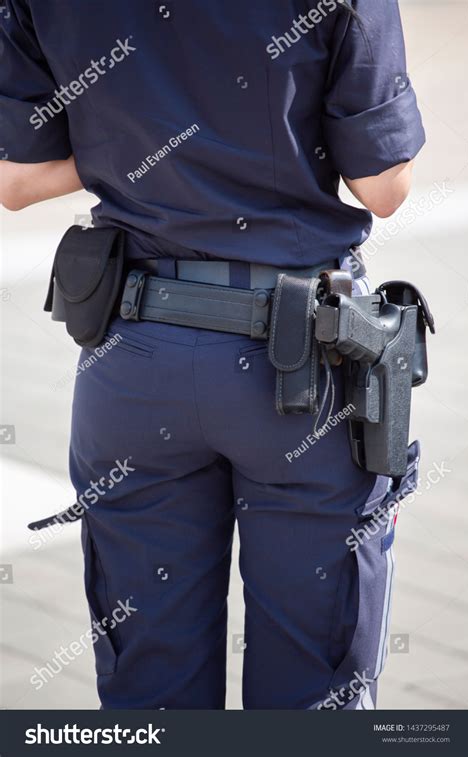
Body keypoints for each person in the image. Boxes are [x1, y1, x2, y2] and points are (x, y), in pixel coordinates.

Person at [0, 0, 425, 709]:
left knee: (151, 698)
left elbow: (16, 180)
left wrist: (141, 140)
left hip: (134, 358)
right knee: (314, 700)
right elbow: (384, 186)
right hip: (300, 376)